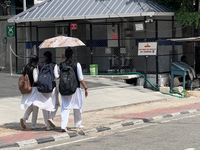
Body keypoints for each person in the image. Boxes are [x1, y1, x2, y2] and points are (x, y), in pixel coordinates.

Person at [59, 48, 88, 132]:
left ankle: (63, 126)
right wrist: (86, 88)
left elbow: (57, 75)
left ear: (65, 55)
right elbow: (80, 78)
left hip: (64, 89)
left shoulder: (61, 65)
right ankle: (77, 124)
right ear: (72, 55)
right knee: (78, 106)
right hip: (76, 88)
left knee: (65, 107)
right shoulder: (77, 64)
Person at [33, 51, 60, 130]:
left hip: (41, 87)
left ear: (45, 57)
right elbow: (56, 76)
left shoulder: (40, 65)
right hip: (52, 87)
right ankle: (51, 117)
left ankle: (48, 126)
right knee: (56, 104)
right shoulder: (54, 65)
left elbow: (36, 78)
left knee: (44, 106)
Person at [20, 55, 39, 129]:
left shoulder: (26, 67)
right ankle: (34, 124)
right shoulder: (34, 69)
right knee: (35, 107)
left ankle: (24, 118)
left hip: (27, 88)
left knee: (31, 106)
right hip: (33, 89)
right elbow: (35, 80)